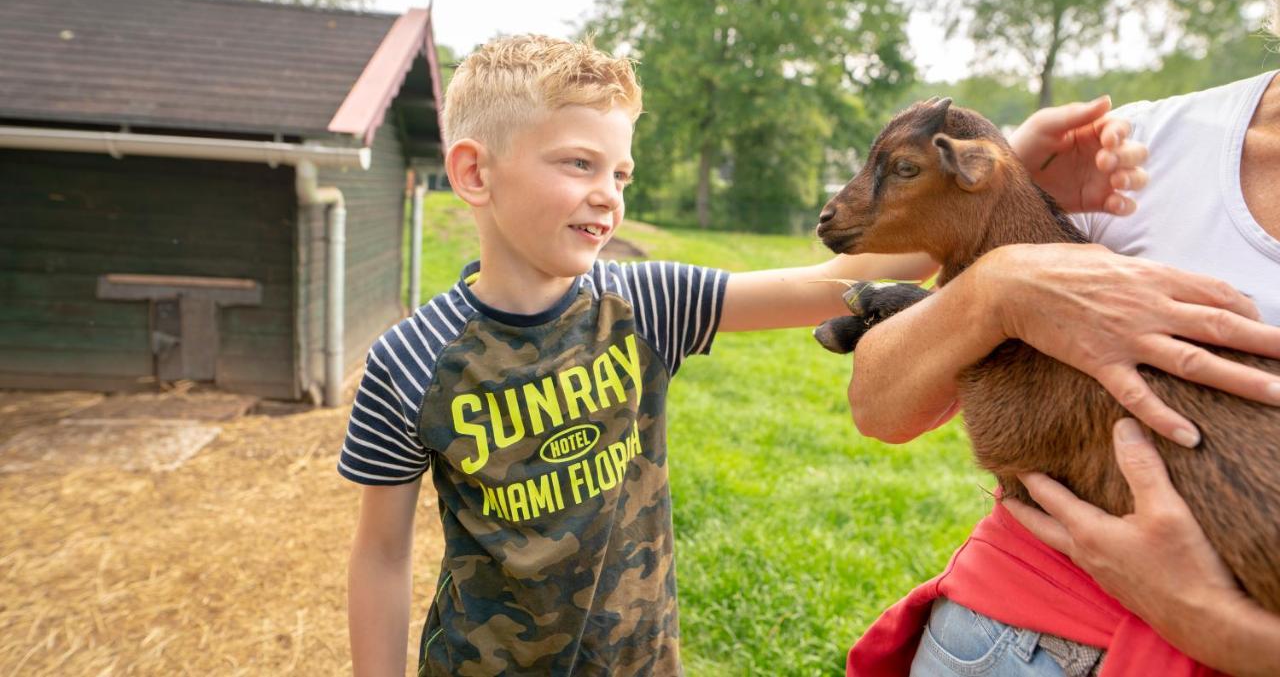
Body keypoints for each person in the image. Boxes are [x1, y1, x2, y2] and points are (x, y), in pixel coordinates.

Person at [338, 33, 1144, 677]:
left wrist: (995, 179)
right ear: (475, 173)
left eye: (619, 169)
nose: (608, 192)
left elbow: (836, 282)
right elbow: (380, 554)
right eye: (578, 163)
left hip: (644, 661)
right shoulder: (407, 361)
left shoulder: (644, 303)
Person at [846, 0, 1280, 676]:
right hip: (1002, 639)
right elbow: (882, 403)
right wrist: (997, 282)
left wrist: (1215, 624)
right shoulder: (1141, 149)